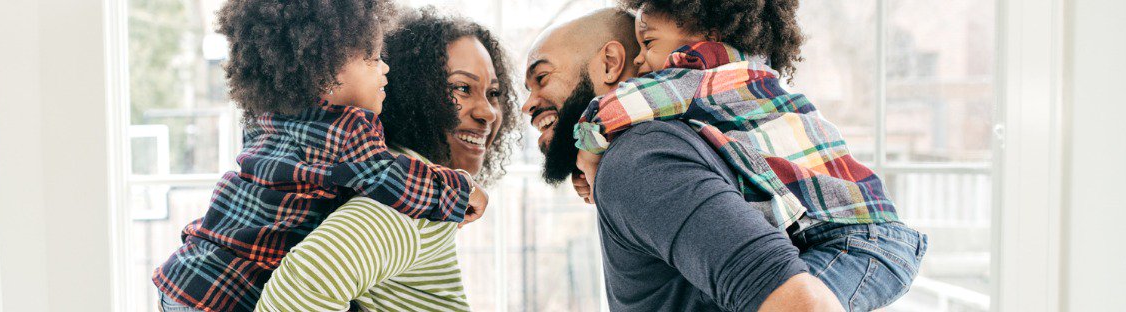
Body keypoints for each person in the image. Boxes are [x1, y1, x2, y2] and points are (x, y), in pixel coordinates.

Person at [567, 1, 928, 310]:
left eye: (647, 42)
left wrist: (589, 153)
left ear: (707, 31)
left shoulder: (705, 74)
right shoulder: (743, 87)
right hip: (848, 237)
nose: (641, 61)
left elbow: (622, 106)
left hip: (862, 242)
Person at [150, 1, 488, 311]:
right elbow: (390, 178)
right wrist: (460, 191)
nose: (386, 69)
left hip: (184, 277)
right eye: (372, 58)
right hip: (229, 294)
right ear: (325, 74)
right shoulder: (350, 128)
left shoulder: (266, 120)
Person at [524, 8, 852, 312]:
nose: (527, 105)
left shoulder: (640, 159)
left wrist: (596, 158)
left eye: (542, 78)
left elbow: (805, 305)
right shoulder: (685, 143)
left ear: (610, 62)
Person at [255, 7, 519, 311]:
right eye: (462, 88)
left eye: (494, 92)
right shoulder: (412, 199)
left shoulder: (383, 177)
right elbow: (297, 294)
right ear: (412, 91)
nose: (488, 112)